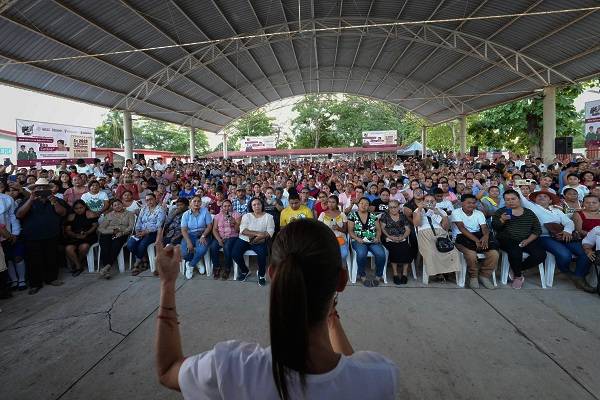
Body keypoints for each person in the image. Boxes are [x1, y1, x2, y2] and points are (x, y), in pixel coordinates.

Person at [154, 219, 399, 399]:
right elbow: (349, 367)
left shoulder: (231, 366)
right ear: (342, 281)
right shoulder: (379, 376)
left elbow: (167, 370)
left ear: (272, 274)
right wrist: (328, 309)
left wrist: (167, 283)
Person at [516, 188, 594, 293]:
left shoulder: (556, 210)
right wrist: (517, 187)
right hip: (544, 237)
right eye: (539, 196)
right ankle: (568, 272)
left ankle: (578, 276)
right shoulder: (532, 207)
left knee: (585, 253)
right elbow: (521, 198)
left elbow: (569, 222)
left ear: (550, 201)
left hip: (563, 235)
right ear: (535, 200)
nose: (542, 197)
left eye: (545, 196)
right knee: (564, 255)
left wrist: (567, 231)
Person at [16, 178, 67, 295]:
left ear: (49, 190)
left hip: (51, 235)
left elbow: (63, 213)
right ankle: (35, 284)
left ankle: (52, 279)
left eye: (44, 188)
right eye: (39, 188)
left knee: (51, 257)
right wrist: (30, 200)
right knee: (34, 261)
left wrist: (54, 202)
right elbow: (19, 214)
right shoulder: (26, 200)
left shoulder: (55, 200)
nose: (42, 190)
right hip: (32, 237)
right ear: (34, 190)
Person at [492, 190, 546, 289]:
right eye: (507, 200)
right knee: (515, 252)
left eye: (513, 199)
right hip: (508, 239)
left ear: (519, 199)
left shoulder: (529, 213)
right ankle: (518, 276)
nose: (510, 201)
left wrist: (528, 241)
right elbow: (495, 228)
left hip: (528, 239)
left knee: (540, 255)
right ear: (504, 201)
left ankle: (517, 269)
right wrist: (502, 220)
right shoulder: (501, 212)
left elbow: (537, 230)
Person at [451, 194, 499, 289]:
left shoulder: (479, 213)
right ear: (461, 203)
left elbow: (484, 227)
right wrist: (476, 240)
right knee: (471, 254)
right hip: (461, 238)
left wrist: (485, 236)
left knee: (494, 254)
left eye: (473, 203)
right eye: (468, 203)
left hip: (478, 237)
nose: (471, 205)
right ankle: (473, 276)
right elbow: (462, 228)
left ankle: (484, 275)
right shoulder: (456, 212)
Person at [413, 194, 460, 281]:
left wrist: (441, 215)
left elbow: (446, 227)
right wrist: (420, 209)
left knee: (453, 252)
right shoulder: (418, 210)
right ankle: (437, 273)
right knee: (431, 251)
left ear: (435, 202)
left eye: (432, 201)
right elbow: (417, 224)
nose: (429, 203)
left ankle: (449, 272)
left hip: (440, 233)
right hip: (425, 233)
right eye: (427, 201)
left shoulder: (441, 211)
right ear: (423, 201)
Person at [231, 197, 274, 286]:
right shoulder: (247, 216)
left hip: (259, 241)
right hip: (244, 239)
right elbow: (243, 230)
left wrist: (258, 238)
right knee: (235, 253)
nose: (257, 206)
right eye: (254, 205)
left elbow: (270, 232)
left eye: (258, 204)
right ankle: (245, 271)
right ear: (251, 206)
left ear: (262, 205)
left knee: (262, 254)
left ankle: (261, 274)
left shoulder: (269, 217)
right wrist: (258, 234)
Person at [347, 197, 386, 287]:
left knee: (381, 254)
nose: (364, 205)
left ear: (369, 206)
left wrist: (377, 237)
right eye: (362, 203)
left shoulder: (373, 216)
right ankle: (362, 275)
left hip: (372, 240)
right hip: (358, 240)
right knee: (361, 254)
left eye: (366, 204)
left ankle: (378, 276)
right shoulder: (352, 215)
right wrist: (357, 239)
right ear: (358, 204)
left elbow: (378, 230)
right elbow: (350, 231)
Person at [127, 193, 165, 276]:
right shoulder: (144, 209)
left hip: (153, 233)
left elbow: (159, 225)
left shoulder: (160, 210)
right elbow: (139, 221)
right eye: (147, 200)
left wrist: (147, 231)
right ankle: (144, 259)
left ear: (155, 199)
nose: (149, 201)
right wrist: (137, 231)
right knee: (130, 244)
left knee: (142, 244)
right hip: (141, 232)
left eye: (151, 199)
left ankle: (137, 264)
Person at [97, 199, 135, 279]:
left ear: (122, 204)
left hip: (122, 233)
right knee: (105, 246)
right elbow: (101, 228)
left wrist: (122, 232)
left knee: (116, 245)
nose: (117, 206)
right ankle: (106, 268)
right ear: (112, 207)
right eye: (115, 205)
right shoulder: (109, 215)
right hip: (108, 233)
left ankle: (106, 268)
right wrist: (112, 231)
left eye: (119, 204)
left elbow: (131, 227)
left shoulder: (130, 214)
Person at [380, 199, 412, 285]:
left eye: (394, 207)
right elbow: (382, 229)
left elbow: (408, 229)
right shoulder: (385, 216)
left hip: (402, 237)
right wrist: (390, 237)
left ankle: (404, 273)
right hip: (389, 238)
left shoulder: (403, 216)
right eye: (390, 207)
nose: (392, 209)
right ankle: (395, 273)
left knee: (407, 249)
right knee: (394, 249)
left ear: (398, 207)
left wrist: (403, 237)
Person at [181, 196, 213, 280]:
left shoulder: (205, 211)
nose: (196, 203)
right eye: (194, 201)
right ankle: (197, 261)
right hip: (190, 235)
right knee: (184, 253)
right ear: (190, 203)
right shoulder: (186, 214)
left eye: (199, 201)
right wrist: (188, 241)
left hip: (203, 234)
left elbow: (209, 226)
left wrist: (203, 236)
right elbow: (183, 230)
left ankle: (191, 265)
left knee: (201, 250)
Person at [64, 200, 98, 276]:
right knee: (68, 248)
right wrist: (75, 235)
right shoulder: (71, 216)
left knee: (84, 247)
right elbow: (68, 230)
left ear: (84, 207)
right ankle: (78, 266)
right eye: (76, 208)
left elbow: (95, 226)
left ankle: (77, 263)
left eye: (81, 207)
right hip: (75, 236)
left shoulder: (90, 214)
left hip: (89, 236)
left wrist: (87, 233)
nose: (79, 210)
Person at [209, 199, 241, 280]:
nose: (227, 208)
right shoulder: (217, 216)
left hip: (232, 236)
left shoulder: (237, 215)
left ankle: (227, 268)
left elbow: (238, 230)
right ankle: (217, 267)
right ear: (222, 207)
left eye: (229, 206)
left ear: (232, 206)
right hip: (220, 236)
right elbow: (214, 229)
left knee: (227, 247)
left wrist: (233, 221)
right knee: (213, 247)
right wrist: (219, 239)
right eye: (225, 206)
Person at [318, 195, 349, 267]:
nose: (331, 204)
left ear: (337, 203)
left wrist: (338, 228)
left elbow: (345, 230)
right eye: (329, 202)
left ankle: (342, 268)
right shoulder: (323, 214)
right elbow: (318, 229)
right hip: (327, 239)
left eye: (333, 202)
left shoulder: (342, 214)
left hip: (340, 238)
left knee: (344, 254)